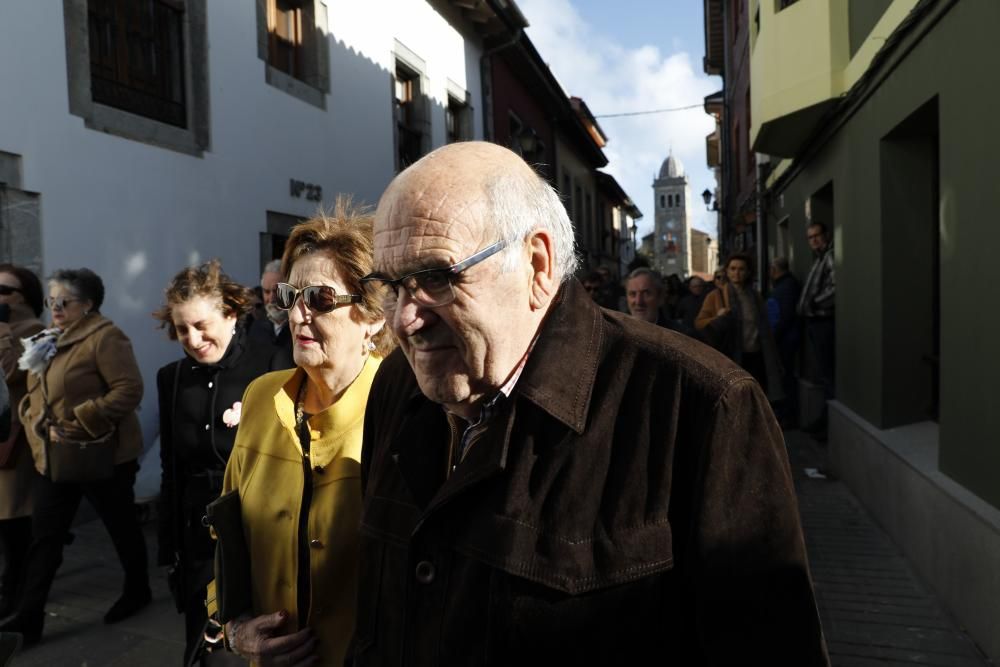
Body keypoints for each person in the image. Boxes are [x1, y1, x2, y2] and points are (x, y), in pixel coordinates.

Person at [354, 142, 828, 665]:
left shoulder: (702, 407)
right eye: (390, 287)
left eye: (438, 278)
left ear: (537, 264)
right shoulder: (396, 385)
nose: (404, 320)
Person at [221, 201, 393, 667]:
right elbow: (228, 536)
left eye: (318, 299)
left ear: (374, 317)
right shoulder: (261, 397)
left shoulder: (402, 410)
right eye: (287, 297)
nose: (297, 316)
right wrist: (233, 629)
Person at [2, 268, 150, 644]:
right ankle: (29, 619)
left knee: (120, 527)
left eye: (64, 301)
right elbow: (30, 389)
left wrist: (79, 418)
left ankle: (138, 589)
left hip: (102, 457)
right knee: (45, 538)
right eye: (52, 301)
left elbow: (128, 390)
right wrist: (35, 423)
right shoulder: (48, 338)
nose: (56, 307)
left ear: (88, 304)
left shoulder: (105, 338)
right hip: (53, 458)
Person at [152, 260, 277, 665]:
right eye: (181, 329)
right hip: (197, 533)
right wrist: (168, 545)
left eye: (201, 324)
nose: (192, 337)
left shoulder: (269, 366)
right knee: (200, 645)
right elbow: (172, 466)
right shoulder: (171, 378)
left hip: (254, 527)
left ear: (231, 312)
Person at [0, 265, 46, 618]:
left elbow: (13, 374)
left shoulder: (36, 332)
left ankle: (15, 600)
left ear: (25, 297)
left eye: (5, 290)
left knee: (16, 525)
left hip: (16, 443)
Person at [695, 253, 784, 401]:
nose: (737, 273)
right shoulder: (716, 295)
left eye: (741, 269)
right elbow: (699, 323)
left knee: (756, 396)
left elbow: (765, 328)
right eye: (733, 268)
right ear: (727, 271)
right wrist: (717, 317)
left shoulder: (755, 296)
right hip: (731, 357)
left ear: (748, 272)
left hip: (757, 355)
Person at [797, 222, 836, 424]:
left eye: (817, 236)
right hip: (814, 322)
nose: (814, 240)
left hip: (823, 322)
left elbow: (836, 288)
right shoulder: (819, 259)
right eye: (810, 238)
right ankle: (824, 418)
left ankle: (828, 421)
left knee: (827, 373)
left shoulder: (829, 256)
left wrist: (813, 304)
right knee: (822, 372)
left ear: (826, 234)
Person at [768, 257, 802, 426]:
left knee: (787, 377)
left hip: (786, 340)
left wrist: (775, 336)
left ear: (775, 270)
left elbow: (786, 315)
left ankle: (790, 416)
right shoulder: (783, 285)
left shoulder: (787, 286)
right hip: (783, 338)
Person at [248, 259, 295, 370]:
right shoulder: (256, 328)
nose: (272, 299)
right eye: (267, 292)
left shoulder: (301, 327)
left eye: (277, 291)